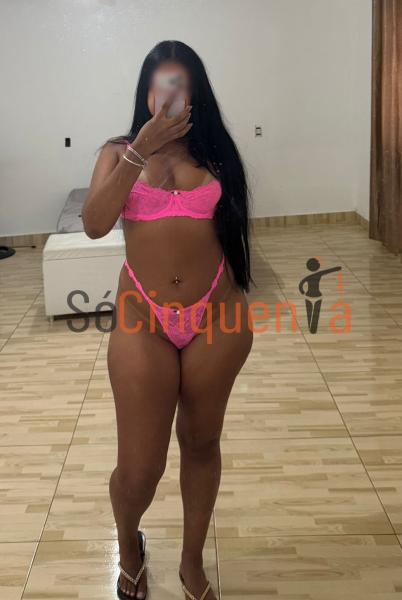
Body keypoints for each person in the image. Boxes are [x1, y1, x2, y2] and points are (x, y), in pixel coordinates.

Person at [82, 40, 255, 600]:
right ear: (147, 92)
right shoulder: (117, 152)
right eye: (161, 85)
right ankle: (128, 543)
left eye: (181, 84)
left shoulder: (217, 154)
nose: (171, 96)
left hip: (217, 316)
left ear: (196, 92)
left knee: (202, 443)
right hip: (144, 319)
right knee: (140, 469)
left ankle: (191, 560)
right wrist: (141, 148)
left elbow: (235, 232)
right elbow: (94, 223)